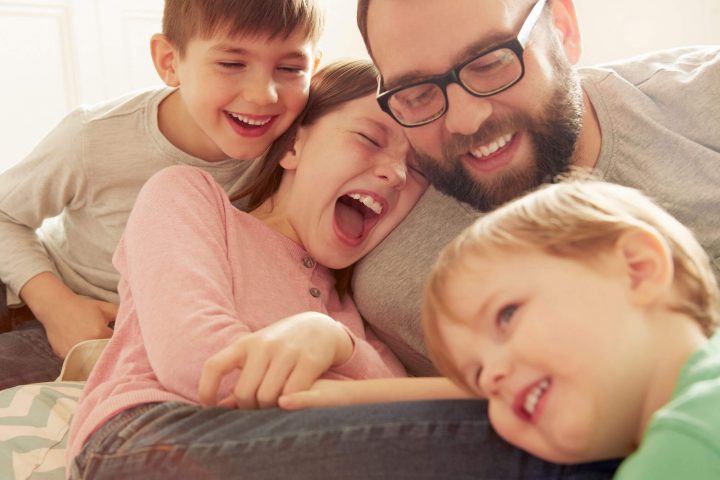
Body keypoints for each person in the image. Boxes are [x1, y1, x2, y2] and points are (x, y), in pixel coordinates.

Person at [66, 59, 428, 479]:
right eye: (369, 138)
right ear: (292, 146)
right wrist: (347, 397)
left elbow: (400, 404)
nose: (397, 174)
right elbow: (200, 363)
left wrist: (336, 341)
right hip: (150, 427)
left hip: (281, 440)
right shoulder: (188, 196)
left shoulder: (346, 308)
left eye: (418, 167)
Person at [353, 0, 720, 377]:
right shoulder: (406, 287)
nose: (465, 120)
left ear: (564, 29)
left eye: (491, 62)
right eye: (416, 94)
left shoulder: (707, 93)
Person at [0, 0, 323, 389]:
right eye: (232, 64)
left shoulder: (301, 146)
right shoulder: (93, 136)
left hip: (173, 335)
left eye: (290, 69)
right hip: (67, 306)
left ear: (314, 69)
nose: (262, 95)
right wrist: (56, 307)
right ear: (169, 61)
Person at [422, 179, 720, 480]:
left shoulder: (690, 438)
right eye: (476, 377)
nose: (490, 379)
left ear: (637, 268)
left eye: (506, 315)